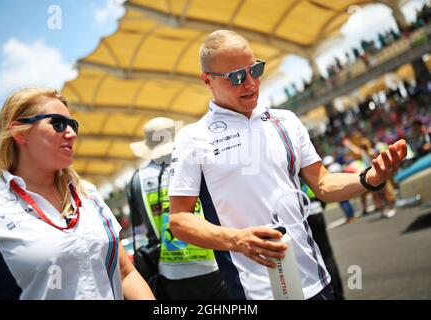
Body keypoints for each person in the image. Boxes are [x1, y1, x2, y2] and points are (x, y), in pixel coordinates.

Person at [167, 30, 407, 300]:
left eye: (254, 70)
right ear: (207, 80)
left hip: (317, 283)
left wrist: (369, 178)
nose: (250, 83)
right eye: (236, 77)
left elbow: (324, 184)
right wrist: (235, 240)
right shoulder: (192, 138)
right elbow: (179, 220)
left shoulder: (286, 120)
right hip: (255, 294)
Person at [0, 87, 154, 300]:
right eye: (58, 123)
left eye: (73, 124)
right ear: (20, 133)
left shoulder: (88, 194)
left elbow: (126, 273)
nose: (71, 133)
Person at [128, 117, 228, 300]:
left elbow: (142, 225)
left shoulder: (137, 179)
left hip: (170, 274)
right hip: (211, 263)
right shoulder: (194, 164)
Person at [300, 181, 345, 300]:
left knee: (302, 259)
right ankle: (337, 295)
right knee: (326, 255)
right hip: (314, 209)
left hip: (295, 214)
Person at [322, 155, 356, 224]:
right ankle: (352, 216)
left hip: (336, 187)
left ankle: (349, 217)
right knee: (346, 201)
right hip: (343, 184)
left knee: (343, 203)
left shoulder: (330, 169)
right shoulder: (337, 165)